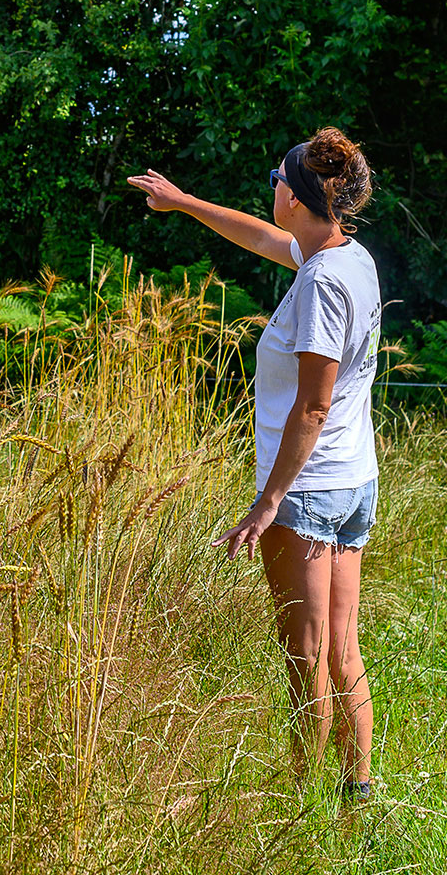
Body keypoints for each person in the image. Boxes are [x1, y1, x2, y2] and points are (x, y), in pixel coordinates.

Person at [128, 127, 380, 799]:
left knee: (306, 659)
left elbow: (313, 407)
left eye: (277, 176)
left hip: (309, 492)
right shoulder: (346, 255)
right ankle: (355, 795)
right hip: (352, 482)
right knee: (341, 650)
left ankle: (300, 811)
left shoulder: (324, 284)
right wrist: (184, 202)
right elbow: (266, 240)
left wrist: (267, 503)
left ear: (295, 198)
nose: (270, 184)